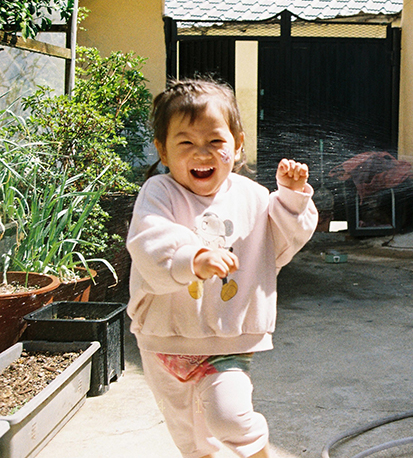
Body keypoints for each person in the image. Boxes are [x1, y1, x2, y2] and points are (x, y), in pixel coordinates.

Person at [127, 79, 318, 457]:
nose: (202, 154)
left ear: (238, 143)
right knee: (191, 439)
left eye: (215, 141)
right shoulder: (159, 193)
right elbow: (149, 240)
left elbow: (280, 243)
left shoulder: (253, 196)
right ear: (162, 151)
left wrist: (292, 200)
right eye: (186, 143)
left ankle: (261, 453)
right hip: (164, 338)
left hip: (225, 338)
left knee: (229, 418)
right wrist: (191, 258)